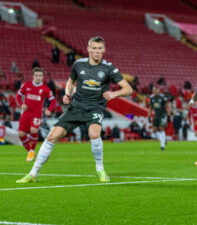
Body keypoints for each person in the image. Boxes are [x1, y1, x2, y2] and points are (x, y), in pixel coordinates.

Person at [16, 36, 133, 184]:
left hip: (94, 108)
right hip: (76, 107)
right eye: (94, 48)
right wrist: (67, 93)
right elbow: (70, 81)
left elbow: (128, 89)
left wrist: (114, 94)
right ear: (88, 49)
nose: (97, 51)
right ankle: (33, 173)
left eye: (99, 48)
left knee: (94, 134)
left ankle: (100, 169)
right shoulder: (78, 64)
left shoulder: (109, 68)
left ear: (104, 50)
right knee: (52, 136)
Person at [16, 67, 56, 162]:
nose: (38, 77)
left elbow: (53, 101)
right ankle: (30, 151)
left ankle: (32, 150)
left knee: (33, 130)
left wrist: (49, 110)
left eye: (40, 76)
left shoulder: (45, 88)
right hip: (26, 113)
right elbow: (18, 96)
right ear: (33, 76)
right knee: (21, 134)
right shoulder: (26, 85)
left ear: (42, 77)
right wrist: (22, 104)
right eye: (36, 75)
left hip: (36, 114)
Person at [148, 86, 170, 150]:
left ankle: (162, 146)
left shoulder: (162, 97)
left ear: (159, 91)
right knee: (154, 130)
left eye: (156, 90)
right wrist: (149, 116)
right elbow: (151, 107)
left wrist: (168, 115)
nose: (155, 91)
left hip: (162, 115)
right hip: (156, 115)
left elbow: (167, 106)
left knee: (161, 128)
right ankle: (163, 139)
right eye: (154, 90)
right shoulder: (152, 97)